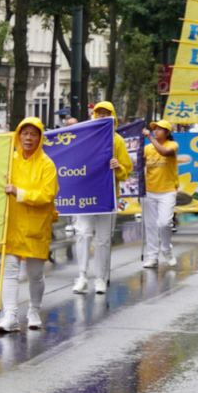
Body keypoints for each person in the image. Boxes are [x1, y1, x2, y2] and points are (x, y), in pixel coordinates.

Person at [0, 117, 58, 333]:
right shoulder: (8, 159)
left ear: (40, 138)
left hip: (36, 226)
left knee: (35, 274)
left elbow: (46, 195)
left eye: (33, 134)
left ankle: (34, 310)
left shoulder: (47, 164)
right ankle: (10, 315)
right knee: (10, 270)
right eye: (25, 133)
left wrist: (18, 193)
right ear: (18, 135)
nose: (28, 138)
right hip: (12, 224)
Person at [72, 101, 134, 294]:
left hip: (108, 196)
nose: (102, 116)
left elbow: (127, 171)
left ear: (113, 116)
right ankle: (81, 276)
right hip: (85, 194)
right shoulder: (85, 137)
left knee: (104, 239)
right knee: (82, 233)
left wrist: (118, 167)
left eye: (106, 113)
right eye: (99, 113)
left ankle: (100, 278)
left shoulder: (117, 141)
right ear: (94, 115)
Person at [141, 119, 179, 268]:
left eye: (159, 129)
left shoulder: (172, 145)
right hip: (149, 190)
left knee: (164, 223)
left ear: (167, 133)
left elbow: (164, 152)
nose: (155, 131)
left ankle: (166, 250)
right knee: (150, 225)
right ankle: (152, 257)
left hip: (167, 191)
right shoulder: (147, 148)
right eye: (154, 129)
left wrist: (149, 137)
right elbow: (141, 165)